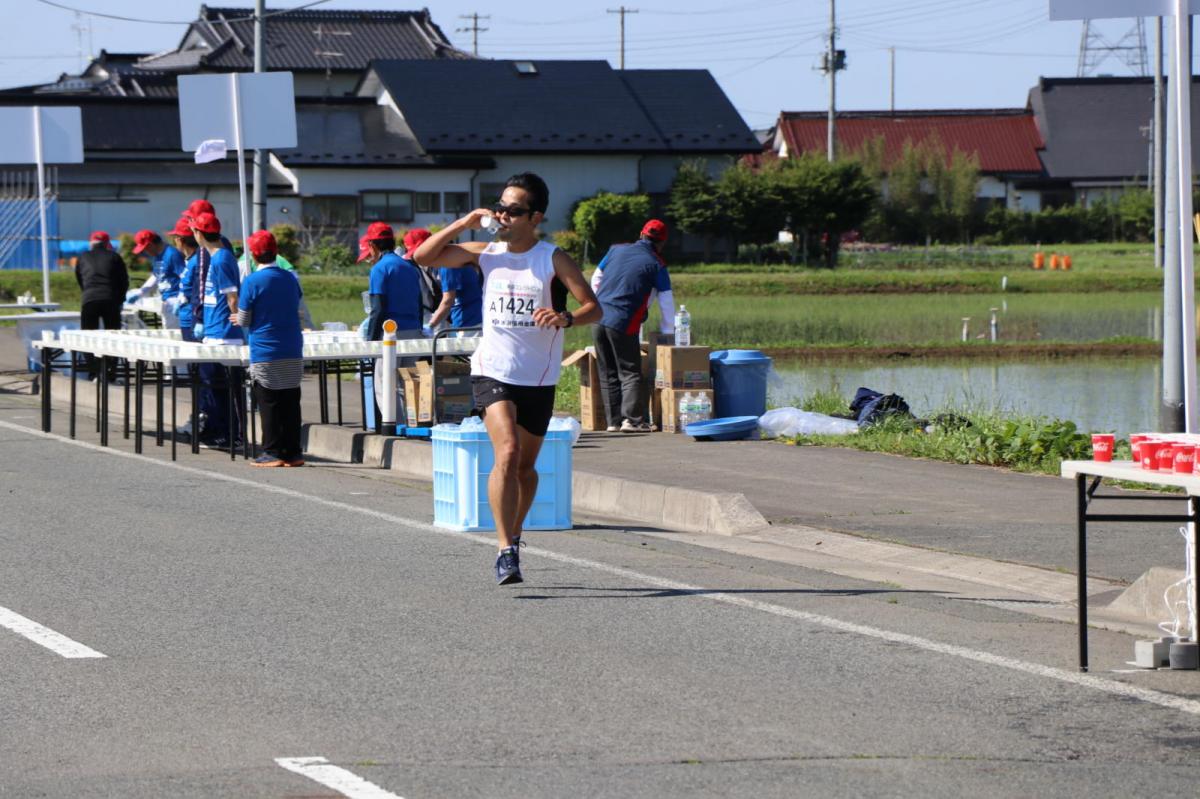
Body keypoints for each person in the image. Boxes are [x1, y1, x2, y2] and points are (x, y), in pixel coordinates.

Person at [414, 172, 600, 585]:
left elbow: (594, 308)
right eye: (500, 206)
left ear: (535, 217)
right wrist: (464, 223)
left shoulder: (553, 259)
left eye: (513, 210)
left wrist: (565, 316)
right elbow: (423, 257)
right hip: (491, 369)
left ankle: (515, 535)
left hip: (538, 375)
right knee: (509, 452)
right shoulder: (486, 252)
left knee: (526, 468)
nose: (503, 215)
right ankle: (504, 550)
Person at [590, 219, 676, 433]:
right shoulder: (657, 264)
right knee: (630, 371)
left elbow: (595, 278)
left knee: (608, 371)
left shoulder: (615, 250)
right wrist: (668, 333)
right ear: (662, 242)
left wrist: (600, 302)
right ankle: (633, 421)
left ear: (641, 234)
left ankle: (613, 422)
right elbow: (666, 301)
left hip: (598, 318)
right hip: (623, 320)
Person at [237, 230, 305, 467]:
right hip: (292, 346)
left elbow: (245, 319)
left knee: (269, 401)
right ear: (275, 251)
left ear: (254, 255)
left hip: (265, 349)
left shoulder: (252, 281)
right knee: (290, 400)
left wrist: (237, 318)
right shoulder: (289, 278)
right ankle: (293, 452)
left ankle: (272, 451)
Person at [192, 211, 244, 447]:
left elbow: (232, 295)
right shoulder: (216, 257)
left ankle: (231, 435)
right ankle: (222, 432)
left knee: (222, 389)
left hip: (223, 335)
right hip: (214, 332)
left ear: (200, 233)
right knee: (214, 387)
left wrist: (236, 318)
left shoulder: (222, 259)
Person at [365, 221, 423, 429]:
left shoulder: (380, 269)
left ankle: (395, 428)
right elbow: (418, 303)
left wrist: (370, 340)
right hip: (415, 331)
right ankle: (412, 426)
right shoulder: (408, 266)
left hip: (392, 336)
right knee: (407, 383)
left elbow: (378, 308)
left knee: (385, 385)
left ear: (372, 245)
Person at [74, 231, 128, 381]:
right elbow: (123, 281)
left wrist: (87, 293)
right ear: (106, 243)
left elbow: (80, 278)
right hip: (110, 299)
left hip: (90, 299)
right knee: (113, 335)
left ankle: (93, 372)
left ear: (91, 242)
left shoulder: (83, 257)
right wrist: (120, 299)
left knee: (88, 336)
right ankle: (111, 372)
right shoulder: (114, 257)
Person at [128, 229, 186, 331]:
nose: (145, 252)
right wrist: (140, 292)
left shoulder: (172, 254)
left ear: (150, 244)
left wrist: (180, 299)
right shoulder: (157, 257)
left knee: (177, 337)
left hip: (176, 301)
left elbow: (185, 277)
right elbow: (156, 276)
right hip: (166, 301)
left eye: (145, 249)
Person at [402, 228, 443, 331]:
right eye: (412, 254)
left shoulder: (446, 263)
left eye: (418, 251)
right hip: (429, 321)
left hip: (447, 321)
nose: (416, 256)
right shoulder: (409, 265)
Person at [170, 218, 201, 342]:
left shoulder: (196, 261)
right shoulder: (189, 260)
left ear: (180, 240)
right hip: (186, 317)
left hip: (192, 317)